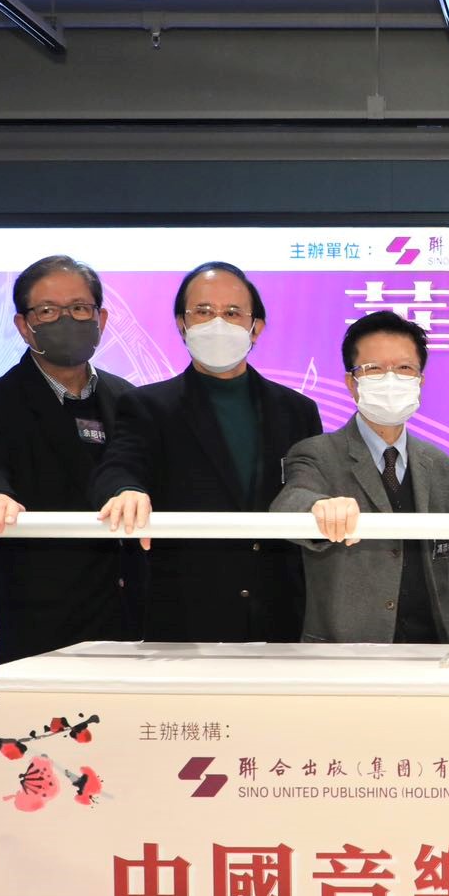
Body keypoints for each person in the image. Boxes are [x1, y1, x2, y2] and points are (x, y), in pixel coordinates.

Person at [93, 261, 321, 641]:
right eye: (202, 311)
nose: (217, 323)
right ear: (182, 324)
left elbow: (311, 484)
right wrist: (125, 490)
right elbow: (120, 465)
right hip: (186, 614)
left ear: (256, 328)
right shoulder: (147, 406)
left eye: (232, 313)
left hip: (280, 611)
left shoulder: (297, 410)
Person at [0, 255, 139, 663]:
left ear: (101, 319)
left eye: (79, 308)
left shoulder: (129, 399)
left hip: (131, 617)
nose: (66, 320)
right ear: (24, 325)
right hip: (43, 621)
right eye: (48, 311)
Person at [271, 311, 449, 643]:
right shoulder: (317, 453)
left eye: (404, 368)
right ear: (352, 383)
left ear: (420, 381)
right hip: (347, 652)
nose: (390, 379)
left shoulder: (441, 466)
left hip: (434, 650)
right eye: (374, 369)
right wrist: (319, 507)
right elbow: (291, 501)